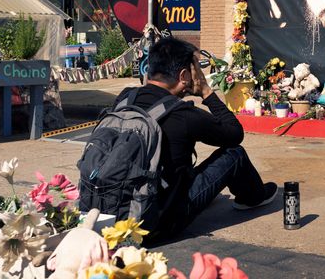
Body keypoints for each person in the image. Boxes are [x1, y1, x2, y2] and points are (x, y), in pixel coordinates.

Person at [113, 37, 277, 241]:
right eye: (196, 71)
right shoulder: (181, 113)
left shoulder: (125, 98)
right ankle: (253, 198)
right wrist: (207, 92)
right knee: (234, 155)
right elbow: (234, 134)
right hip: (157, 225)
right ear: (184, 75)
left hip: (114, 218)